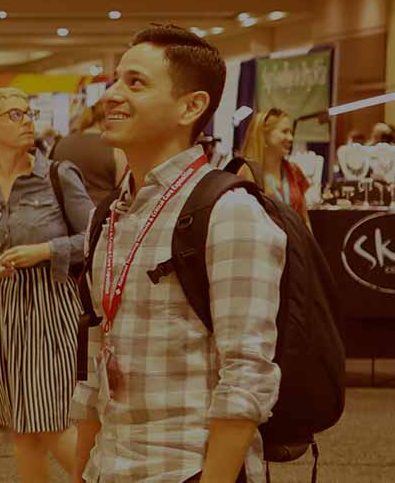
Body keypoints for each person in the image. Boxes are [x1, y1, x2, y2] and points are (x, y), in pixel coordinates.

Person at [71, 25, 285, 483]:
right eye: (116, 79)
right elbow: (95, 367)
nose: (111, 95)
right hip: (107, 467)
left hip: (184, 468)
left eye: (136, 83)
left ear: (191, 107)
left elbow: (246, 377)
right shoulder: (109, 215)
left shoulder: (229, 212)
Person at [0, 87, 93, 482]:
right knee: (22, 427)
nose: (27, 121)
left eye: (29, 113)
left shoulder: (57, 175)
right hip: (3, 311)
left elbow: (97, 237)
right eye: (15, 115)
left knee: (49, 422)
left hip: (51, 305)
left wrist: (47, 250)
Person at [237, 108, 311, 224]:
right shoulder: (247, 174)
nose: (291, 138)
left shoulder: (294, 171)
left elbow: (305, 219)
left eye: (291, 132)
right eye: (284, 132)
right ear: (264, 135)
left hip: (295, 235)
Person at [50, 99, 130, 206]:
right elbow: (124, 191)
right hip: (102, 212)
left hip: (63, 211)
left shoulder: (60, 143)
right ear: (105, 119)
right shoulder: (115, 148)